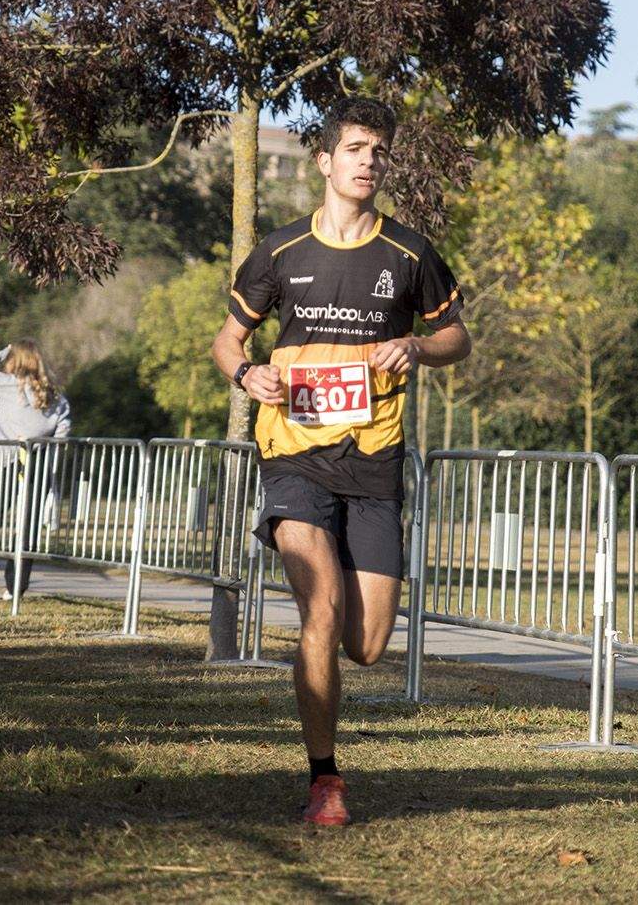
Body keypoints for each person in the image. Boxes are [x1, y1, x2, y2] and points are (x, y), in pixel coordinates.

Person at [210, 98, 471, 828]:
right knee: (318, 608)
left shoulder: (410, 253)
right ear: (324, 161)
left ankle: (327, 750)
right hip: (293, 453)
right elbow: (227, 341)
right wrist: (245, 375)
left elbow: (459, 338)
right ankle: (325, 780)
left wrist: (417, 346)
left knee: (367, 644)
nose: (367, 160)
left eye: (378, 151)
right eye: (354, 148)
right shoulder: (280, 252)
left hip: (374, 461)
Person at [0, 340, 72, 601]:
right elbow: (64, 431)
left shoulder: (0, 385)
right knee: (29, 527)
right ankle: (16, 587)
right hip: (39, 462)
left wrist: (1, 351)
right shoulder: (53, 394)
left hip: (6, 460)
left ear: (12, 359)